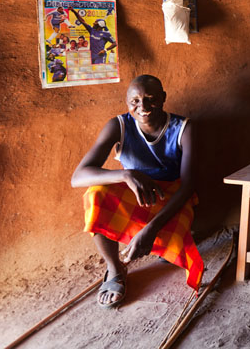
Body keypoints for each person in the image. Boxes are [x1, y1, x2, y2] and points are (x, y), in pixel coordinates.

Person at [71, 75, 203, 308]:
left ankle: (161, 240)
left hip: (171, 198)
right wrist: (126, 174)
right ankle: (114, 268)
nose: (142, 107)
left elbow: (188, 185)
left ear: (163, 98)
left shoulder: (184, 128)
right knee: (95, 194)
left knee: (170, 233)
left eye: (150, 99)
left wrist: (151, 229)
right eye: (135, 101)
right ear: (126, 102)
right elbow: (78, 177)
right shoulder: (119, 126)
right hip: (138, 194)